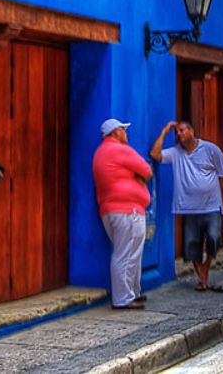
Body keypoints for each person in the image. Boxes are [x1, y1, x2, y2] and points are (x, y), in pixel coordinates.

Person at [150, 120, 223, 292]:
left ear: (192, 131)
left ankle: (206, 268)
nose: (179, 134)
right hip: (187, 207)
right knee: (192, 244)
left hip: (211, 207)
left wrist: (211, 192)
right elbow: (154, 154)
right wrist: (165, 132)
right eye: (177, 132)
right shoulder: (175, 153)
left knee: (213, 237)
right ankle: (201, 278)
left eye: (182, 131)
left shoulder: (210, 149)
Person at [92, 118, 153, 310]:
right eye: (123, 130)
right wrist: (139, 177)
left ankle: (133, 292)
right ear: (116, 132)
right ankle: (123, 299)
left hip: (110, 210)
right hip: (128, 210)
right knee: (126, 254)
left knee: (129, 252)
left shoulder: (100, 153)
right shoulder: (120, 150)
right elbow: (147, 170)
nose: (126, 133)